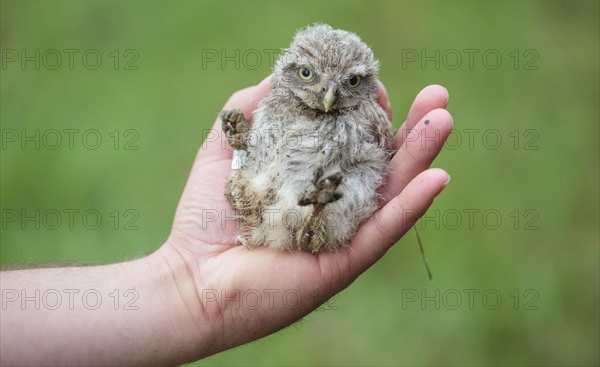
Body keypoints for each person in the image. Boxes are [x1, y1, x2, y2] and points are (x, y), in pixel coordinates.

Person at [0, 77, 453, 365]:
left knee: (340, 191)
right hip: (272, 205)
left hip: (320, 207)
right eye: (310, 76)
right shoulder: (279, 106)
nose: (328, 95)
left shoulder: (362, 123)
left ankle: (315, 209)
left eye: (349, 83)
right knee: (261, 184)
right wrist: (188, 289)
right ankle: (304, 205)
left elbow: (366, 178)